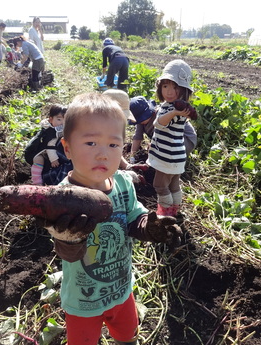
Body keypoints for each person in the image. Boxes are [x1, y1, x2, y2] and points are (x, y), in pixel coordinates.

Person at [38, 92, 182, 345]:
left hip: (121, 290)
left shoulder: (124, 183)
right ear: (67, 148)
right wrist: (68, 239)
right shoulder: (62, 196)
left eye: (113, 145)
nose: (103, 154)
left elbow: (134, 219)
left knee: (128, 337)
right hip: (83, 300)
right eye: (91, 143)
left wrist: (150, 227)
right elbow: (67, 253)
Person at [147, 59, 195, 217]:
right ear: (160, 87)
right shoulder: (182, 108)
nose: (169, 91)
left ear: (183, 90)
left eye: (175, 87)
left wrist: (172, 113)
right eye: (165, 86)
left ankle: (165, 213)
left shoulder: (172, 108)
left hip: (166, 158)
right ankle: (176, 210)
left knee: (160, 185)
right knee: (174, 185)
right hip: (178, 156)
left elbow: (158, 124)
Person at [125, 96, 197, 164]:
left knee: (158, 155)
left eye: (140, 119)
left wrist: (154, 146)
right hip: (170, 141)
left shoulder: (161, 116)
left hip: (185, 139)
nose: (139, 122)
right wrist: (132, 156)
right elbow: (137, 137)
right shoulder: (141, 122)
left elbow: (169, 134)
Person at [31, 104, 67, 185]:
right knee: (38, 160)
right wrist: (53, 159)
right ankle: (36, 182)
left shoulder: (61, 129)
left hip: (54, 151)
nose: (62, 123)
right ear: (51, 120)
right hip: (43, 152)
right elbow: (50, 145)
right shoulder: (51, 131)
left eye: (65, 120)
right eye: (59, 119)